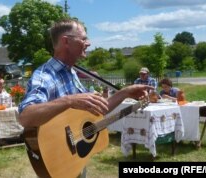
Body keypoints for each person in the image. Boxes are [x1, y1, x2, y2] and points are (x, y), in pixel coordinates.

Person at [18, 18, 154, 178]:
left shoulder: (72, 72)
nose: (88, 43)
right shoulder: (45, 76)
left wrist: (125, 92)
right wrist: (69, 100)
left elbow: (96, 110)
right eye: (83, 38)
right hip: (58, 162)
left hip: (75, 160)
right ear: (66, 41)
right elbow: (26, 117)